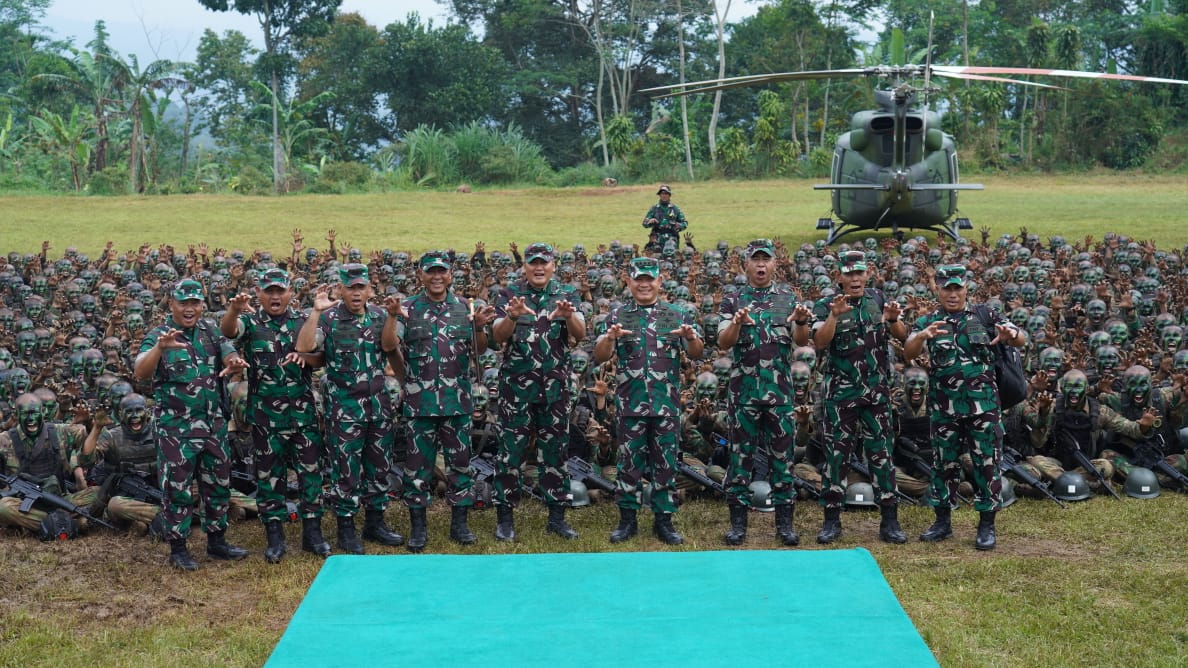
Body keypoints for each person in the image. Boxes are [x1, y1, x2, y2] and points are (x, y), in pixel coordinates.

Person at [903, 264, 1026, 551]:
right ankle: (942, 521)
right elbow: (909, 350)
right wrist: (921, 337)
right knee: (943, 465)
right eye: (947, 288)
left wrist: (1011, 334)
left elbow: (1020, 338)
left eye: (958, 288)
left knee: (986, 464)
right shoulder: (929, 320)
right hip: (945, 408)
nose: (953, 294)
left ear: (966, 288)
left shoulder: (985, 315)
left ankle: (986, 525)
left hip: (982, 407)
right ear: (937, 289)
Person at [133, 278, 250, 570]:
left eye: (195, 302)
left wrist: (234, 361)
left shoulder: (209, 330)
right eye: (183, 302)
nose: (189, 308)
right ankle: (179, 548)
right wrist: (160, 349)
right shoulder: (159, 335)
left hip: (212, 425)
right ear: (171, 303)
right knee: (178, 489)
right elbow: (140, 373)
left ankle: (217, 541)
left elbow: (227, 349)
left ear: (202, 304)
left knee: (218, 484)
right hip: (177, 430)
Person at [383, 250, 495, 552]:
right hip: (421, 406)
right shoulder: (408, 308)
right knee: (417, 469)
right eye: (430, 271)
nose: (436, 276)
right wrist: (393, 316)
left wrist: (480, 327)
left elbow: (479, 350)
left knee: (460, 467)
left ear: (450, 273)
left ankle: (459, 524)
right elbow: (389, 345)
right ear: (420, 274)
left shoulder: (465, 308)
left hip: (456, 403)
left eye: (441, 271)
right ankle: (418, 529)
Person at [221, 267, 330, 563]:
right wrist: (232, 309)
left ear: (290, 293)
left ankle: (313, 535)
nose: (275, 296)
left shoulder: (302, 320)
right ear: (259, 293)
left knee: (311, 475)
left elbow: (320, 355)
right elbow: (228, 331)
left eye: (280, 291)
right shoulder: (250, 321)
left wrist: (305, 358)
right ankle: (275, 538)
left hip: (303, 415)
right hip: (266, 418)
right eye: (269, 291)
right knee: (270, 478)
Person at [593, 256, 704, 544]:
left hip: (665, 405)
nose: (644, 284)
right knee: (628, 464)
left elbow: (695, 353)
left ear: (660, 281)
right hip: (631, 404)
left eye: (649, 279)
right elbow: (600, 356)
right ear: (628, 281)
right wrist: (609, 338)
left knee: (665, 464)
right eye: (638, 279)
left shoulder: (677, 314)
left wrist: (691, 338)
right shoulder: (617, 315)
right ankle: (627, 520)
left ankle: (663, 521)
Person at [296, 263, 403, 554]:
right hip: (344, 409)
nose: (356, 293)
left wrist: (392, 317)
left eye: (361, 287)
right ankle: (346, 528)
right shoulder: (329, 319)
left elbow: (390, 347)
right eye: (350, 287)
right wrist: (315, 312)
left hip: (378, 406)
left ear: (370, 289)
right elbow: (304, 347)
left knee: (379, 467)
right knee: (346, 471)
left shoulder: (380, 316)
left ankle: (375, 522)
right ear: (340, 289)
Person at [806, 249, 908, 545]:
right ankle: (831, 521)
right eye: (849, 273)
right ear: (838, 276)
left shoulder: (877, 299)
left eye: (859, 273)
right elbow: (819, 342)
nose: (855, 278)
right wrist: (834, 317)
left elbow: (901, 335)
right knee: (837, 457)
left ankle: (890, 521)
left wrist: (893, 320)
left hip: (876, 395)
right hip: (841, 395)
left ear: (868, 274)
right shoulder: (826, 304)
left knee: (882, 456)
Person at [716, 239, 811, 546]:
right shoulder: (733, 299)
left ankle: (784, 526)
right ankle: (737, 525)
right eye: (755, 260)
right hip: (743, 394)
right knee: (740, 459)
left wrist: (800, 322)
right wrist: (736, 323)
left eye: (765, 260)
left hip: (780, 394)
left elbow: (801, 339)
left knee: (782, 461)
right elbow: (723, 342)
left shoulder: (787, 296)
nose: (760, 265)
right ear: (746, 264)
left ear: (774, 264)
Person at [490, 242, 586, 541]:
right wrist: (513, 317)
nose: (539, 267)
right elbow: (496, 337)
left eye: (544, 262)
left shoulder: (567, 295)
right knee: (510, 454)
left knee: (555, 453)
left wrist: (568, 316)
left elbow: (580, 334)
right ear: (525, 267)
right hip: (516, 390)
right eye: (533, 263)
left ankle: (556, 517)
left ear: (553, 265)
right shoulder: (507, 295)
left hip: (555, 390)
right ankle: (505, 519)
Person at [0, 393, 96, 534]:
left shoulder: (61, 432)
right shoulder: (4, 440)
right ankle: (66, 523)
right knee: (3, 507)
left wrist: (91, 424)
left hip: (59, 499)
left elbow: (90, 455)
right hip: (24, 505)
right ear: (16, 414)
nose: (31, 419)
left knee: (98, 493)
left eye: (35, 413)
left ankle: (39, 524)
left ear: (43, 412)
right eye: (26, 414)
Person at [641, 185, 688, 253]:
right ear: (659, 195)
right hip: (656, 240)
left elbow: (685, 223)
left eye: (666, 193)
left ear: (669, 195)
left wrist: (677, 225)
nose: (664, 195)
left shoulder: (675, 209)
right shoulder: (654, 208)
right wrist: (650, 221)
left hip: (672, 239)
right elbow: (644, 223)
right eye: (662, 193)